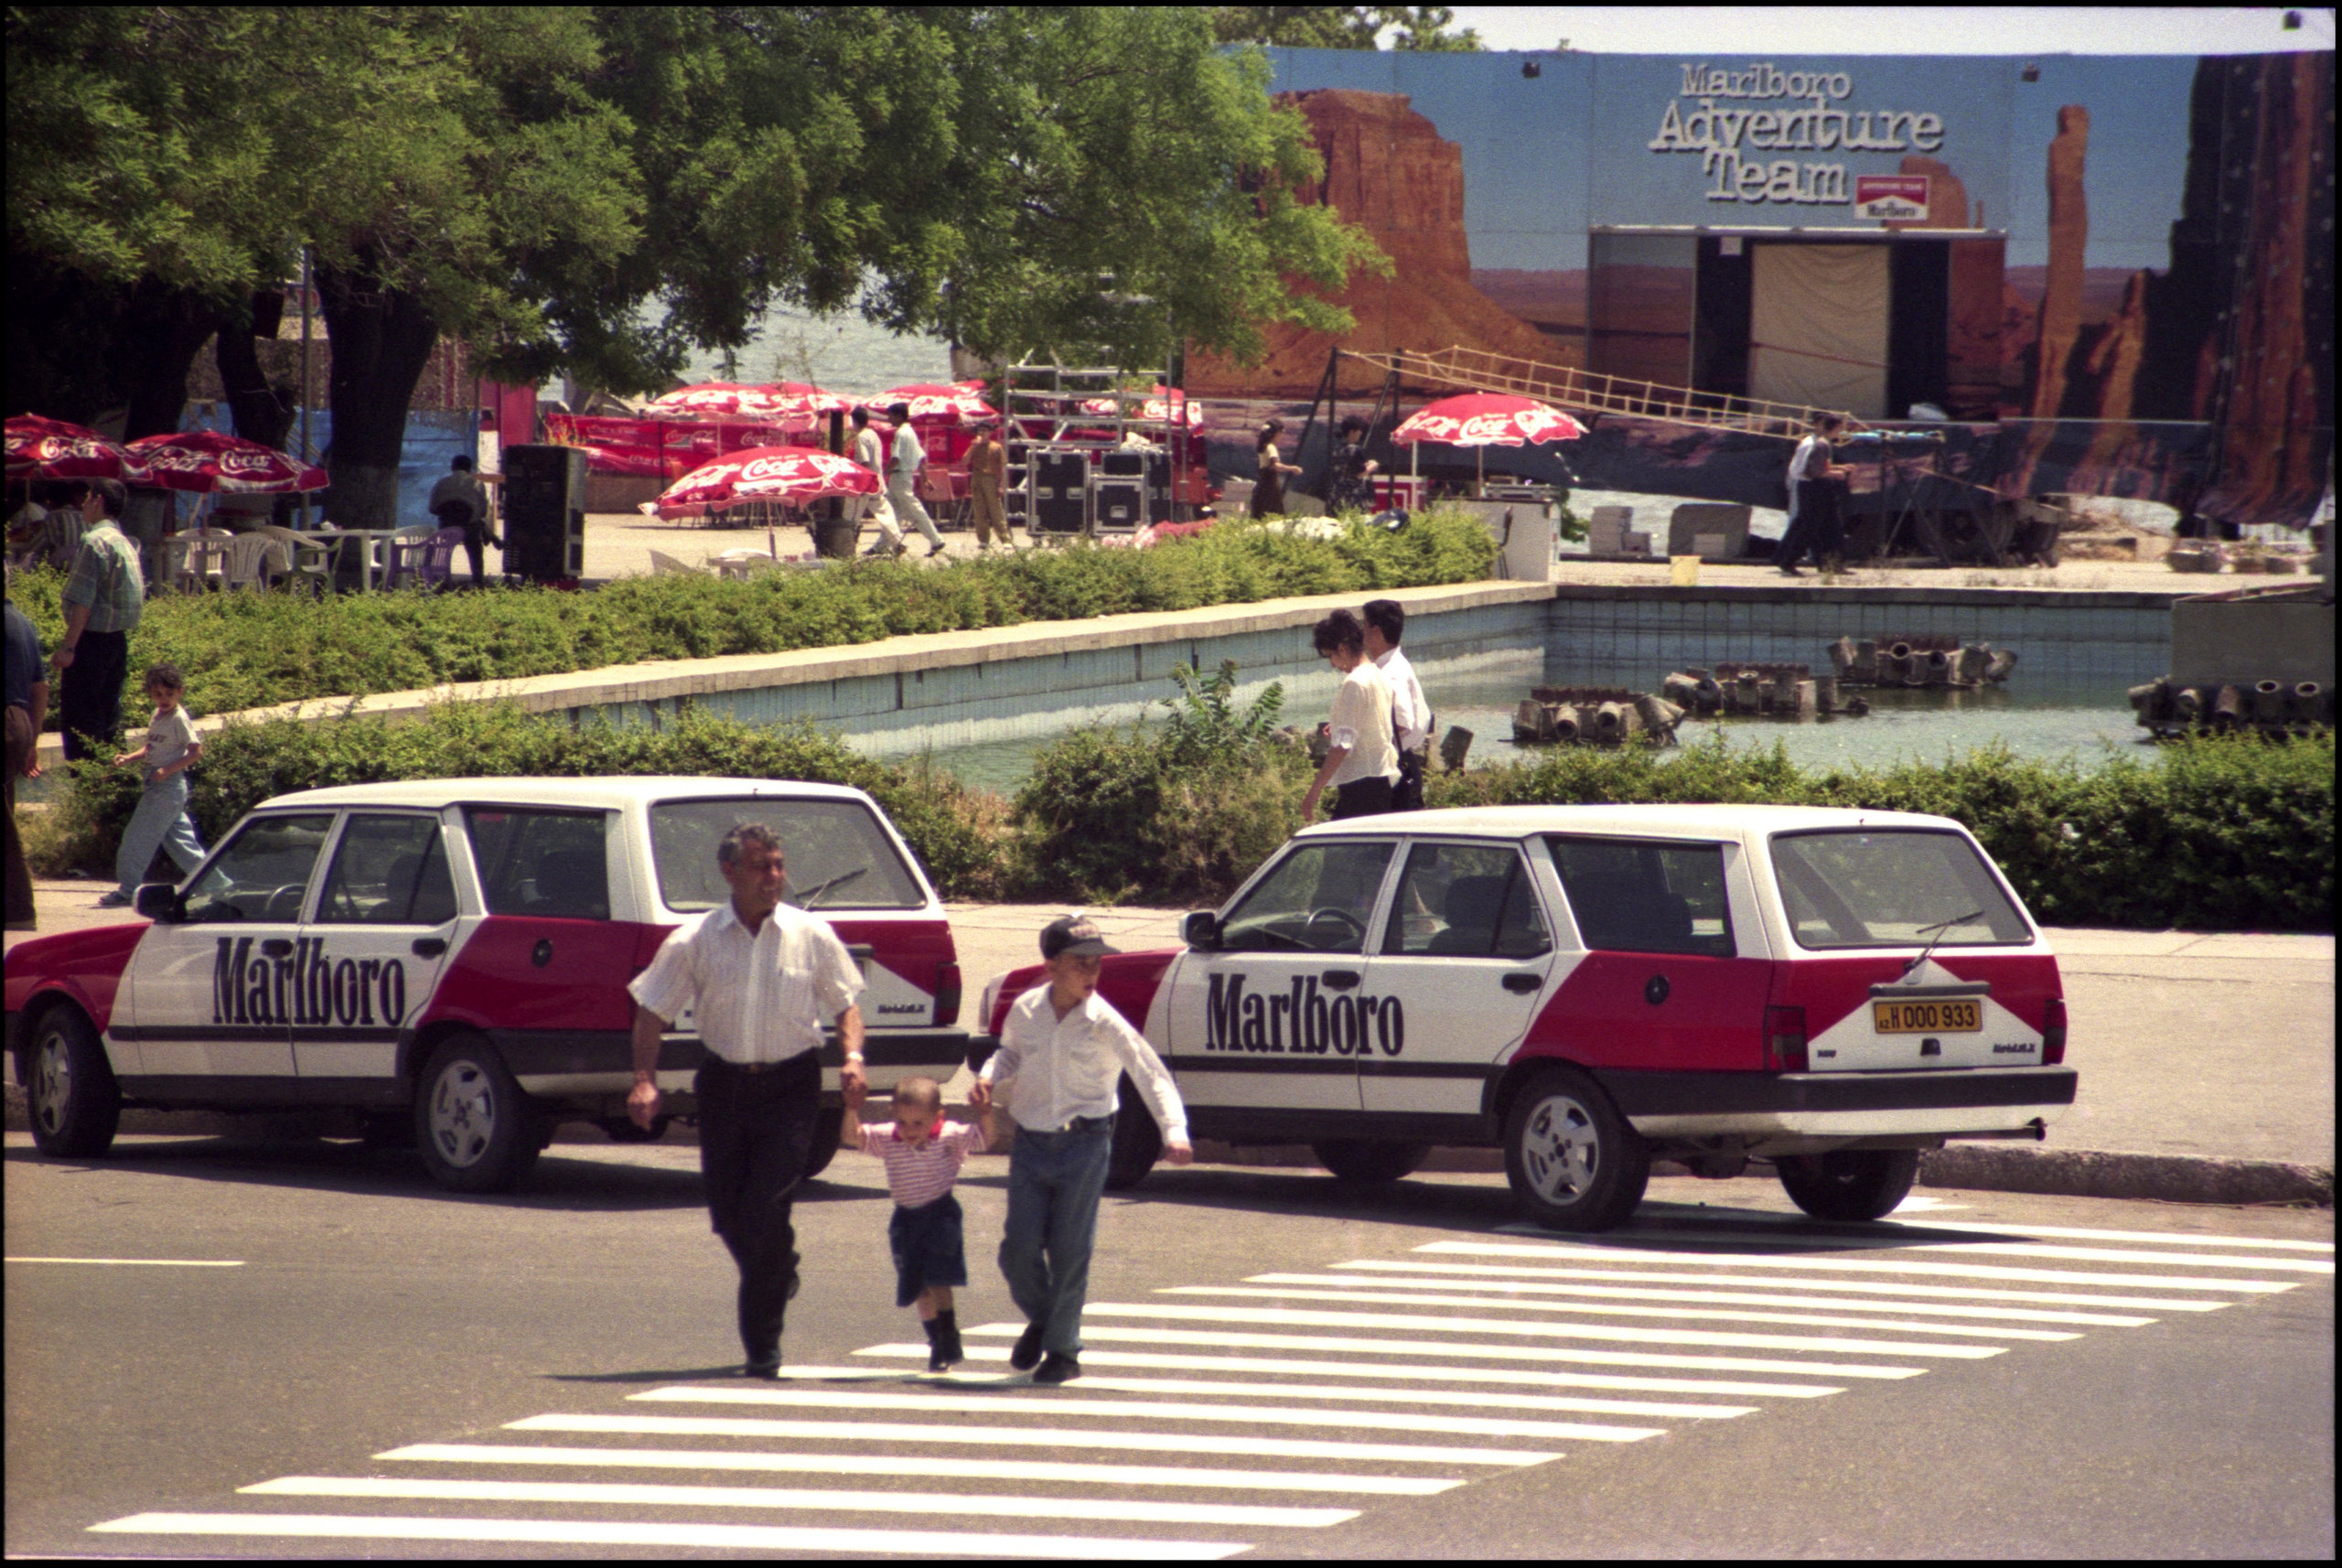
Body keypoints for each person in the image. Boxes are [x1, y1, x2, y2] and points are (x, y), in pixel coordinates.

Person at [626, 822, 867, 1378]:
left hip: (791, 1086)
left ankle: (763, 1348)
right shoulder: (696, 940)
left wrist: (853, 1059)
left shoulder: (811, 933)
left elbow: (845, 1004)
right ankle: (777, 1270)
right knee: (728, 1214)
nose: (774, 877)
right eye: (761, 866)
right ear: (729, 873)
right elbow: (652, 1011)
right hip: (725, 1085)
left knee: (765, 1205)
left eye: (779, 864)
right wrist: (644, 1079)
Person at [967, 914, 1191, 1386]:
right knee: (1017, 1250)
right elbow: (1009, 1052)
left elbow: (1148, 1072)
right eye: (1080, 963)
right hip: (1031, 1141)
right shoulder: (1026, 1010)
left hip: (1086, 1143)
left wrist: (1174, 1130)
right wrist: (989, 1075)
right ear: (1050, 967)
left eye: (1097, 964)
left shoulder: (1104, 1020)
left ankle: (1064, 1351)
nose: (1092, 973)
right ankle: (1047, 1319)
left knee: (1070, 1251)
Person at [840, 1073, 989, 1371]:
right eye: (903, 1122)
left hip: (940, 1214)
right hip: (906, 1218)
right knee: (919, 1288)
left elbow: (985, 1138)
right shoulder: (887, 1137)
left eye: (919, 1123)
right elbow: (851, 1137)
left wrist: (984, 1112)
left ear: (938, 1116)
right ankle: (936, 1343)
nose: (909, 1130)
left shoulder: (950, 1135)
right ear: (893, 1114)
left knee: (938, 1277)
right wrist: (852, 1108)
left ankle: (949, 1334)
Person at [50, 478, 143, 763]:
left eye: (88, 499)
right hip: (117, 642)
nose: (83, 506)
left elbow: (83, 601)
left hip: (91, 643)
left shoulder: (94, 541)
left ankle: (87, 787)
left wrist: (68, 648)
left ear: (99, 500)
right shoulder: (123, 541)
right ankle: (107, 786)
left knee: (82, 721)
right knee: (108, 718)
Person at [99, 664, 206, 909]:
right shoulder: (159, 716)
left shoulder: (179, 718)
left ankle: (127, 890)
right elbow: (151, 748)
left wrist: (167, 770)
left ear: (181, 692)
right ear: (150, 693)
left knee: (136, 838)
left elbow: (196, 751)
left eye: (169, 694)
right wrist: (129, 758)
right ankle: (218, 886)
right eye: (158, 694)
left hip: (167, 787)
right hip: (158, 785)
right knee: (182, 843)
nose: (164, 699)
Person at [1300, 608, 1399, 822]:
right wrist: (1337, 728)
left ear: (1342, 649)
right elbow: (1370, 725)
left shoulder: (1354, 683)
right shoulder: (1378, 675)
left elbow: (1343, 745)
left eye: (1330, 656)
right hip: (1381, 779)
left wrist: (1315, 790)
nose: (1332, 664)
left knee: (1345, 852)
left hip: (1361, 786)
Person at [5, 580, 48, 930]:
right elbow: (40, 687)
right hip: (18, 723)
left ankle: (19, 909)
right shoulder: (22, 621)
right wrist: (32, 739)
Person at [1361, 598, 1430, 811]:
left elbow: (1402, 723)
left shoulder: (1391, 673)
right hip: (1399, 763)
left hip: (1396, 766)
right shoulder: (1390, 665)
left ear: (1376, 632)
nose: (1360, 632)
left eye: (1363, 625)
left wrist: (1359, 734)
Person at [1774, 412, 1851, 577]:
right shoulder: (1819, 445)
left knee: (1831, 526)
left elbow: (1819, 467)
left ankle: (1832, 564)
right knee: (1810, 526)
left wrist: (1839, 468)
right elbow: (1814, 471)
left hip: (1814, 487)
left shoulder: (1820, 443)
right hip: (1814, 488)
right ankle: (1788, 561)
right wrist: (1835, 474)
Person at [427, 454, 500, 587]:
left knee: (477, 523)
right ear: (470, 469)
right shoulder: (478, 484)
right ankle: (478, 579)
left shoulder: (440, 483)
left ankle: (492, 537)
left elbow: (432, 509)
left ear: (452, 467)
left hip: (446, 529)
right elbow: (483, 512)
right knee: (477, 530)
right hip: (469, 529)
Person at [886, 403, 949, 558]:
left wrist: (883, 473)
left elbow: (896, 458)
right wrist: (925, 479)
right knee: (893, 513)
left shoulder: (901, 433)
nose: (889, 419)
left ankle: (936, 539)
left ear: (899, 416)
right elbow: (920, 458)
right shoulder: (911, 433)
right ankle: (886, 544)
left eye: (892, 416)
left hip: (900, 475)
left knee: (913, 509)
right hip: (904, 476)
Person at [852, 407, 907, 558]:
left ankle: (847, 545)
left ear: (854, 421)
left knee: (852, 515)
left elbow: (864, 461)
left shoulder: (862, 437)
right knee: (885, 514)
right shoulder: (873, 435)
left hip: (866, 482)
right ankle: (897, 543)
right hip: (878, 481)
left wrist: (861, 483)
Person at [964, 426, 1008, 551]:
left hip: (991, 478)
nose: (981, 433)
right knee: (979, 511)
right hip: (977, 478)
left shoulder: (996, 447)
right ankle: (983, 540)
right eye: (980, 431)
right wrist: (972, 447)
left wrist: (1001, 485)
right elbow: (964, 462)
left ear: (989, 433)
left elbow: (1003, 468)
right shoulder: (974, 446)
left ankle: (1005, 539)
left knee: (996, 511)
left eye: (984, 431)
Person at [1327, 415, 1381, 514]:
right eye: (1358, 430)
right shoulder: (1355, 450)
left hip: (1336, 495)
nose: (1360, 433)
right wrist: (1372, 466)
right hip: (1353, 496)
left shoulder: (1336, 450)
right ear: (1352, 432)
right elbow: (1360, 472)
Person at [1252, 419, 1302, 518]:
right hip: (1270, 486)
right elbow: (1276, 465)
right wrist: (1292, 468)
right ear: (1275, 433)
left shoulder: (1263, 447)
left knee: (1261, 513)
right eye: (1281, 433)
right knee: (1274, 513)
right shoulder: (1271, 447)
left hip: (1262, 485)